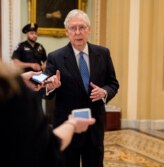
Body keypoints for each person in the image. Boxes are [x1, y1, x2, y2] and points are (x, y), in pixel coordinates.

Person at [0, 1, 95, 166]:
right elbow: (46, 151)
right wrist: (71, 124)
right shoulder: (4, 93)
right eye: (73, 28)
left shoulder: (40, 48)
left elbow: (45, 65)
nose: (34, 35)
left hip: (33, 84)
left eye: (82, 27)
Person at [44, 9, 119, 167]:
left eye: (82, 27)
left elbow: (113, 83)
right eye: (73, 28)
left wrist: (104, 92)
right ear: (67, 32)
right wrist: (50, 85)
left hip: (94, 127)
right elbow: (46, 85)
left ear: (89, 30)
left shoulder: (103, 53)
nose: (78, 32)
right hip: (67, 126)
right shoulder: (55, 57)